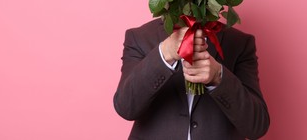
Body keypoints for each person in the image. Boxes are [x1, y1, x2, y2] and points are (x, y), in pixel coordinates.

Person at [113, 18, 270, 139]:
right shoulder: (139, 38)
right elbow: (126, 108)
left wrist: (218, 76)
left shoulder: (239, 43)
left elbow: (256, 126)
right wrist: (164, 54)